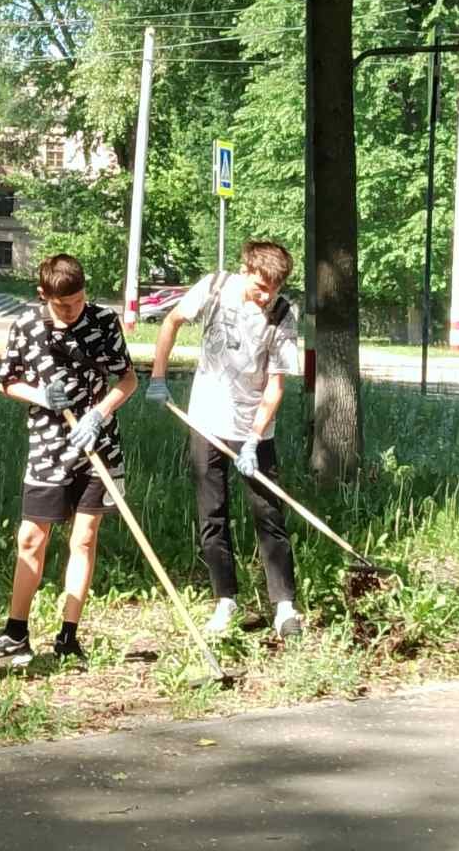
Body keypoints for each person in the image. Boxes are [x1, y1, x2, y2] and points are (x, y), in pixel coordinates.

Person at [0, 253, 138, 668]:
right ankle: (16, 632)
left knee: (84, 539)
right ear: (43, 295)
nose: (73, 311)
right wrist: (40, 395)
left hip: (97, 445)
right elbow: (6, 382)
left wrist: (100, 414)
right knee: (31, 538)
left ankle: (68, 636)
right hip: (48, 446)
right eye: (63, 305)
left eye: (78, 301)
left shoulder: (102, 322)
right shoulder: (28, 326)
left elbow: (128, 379)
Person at [146, 241, 303, 641]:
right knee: (212, 513)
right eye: (260, 284)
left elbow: (276, 384)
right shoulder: (215, 287)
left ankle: (284, 606)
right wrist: (158, 378)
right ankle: (225, 601)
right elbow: (171, 322)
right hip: (205, 422)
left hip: (254, 430)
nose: (266, 294)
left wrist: (253, 439)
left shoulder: (283, 313)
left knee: (269, 514)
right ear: (246, 269)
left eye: (275, 286)